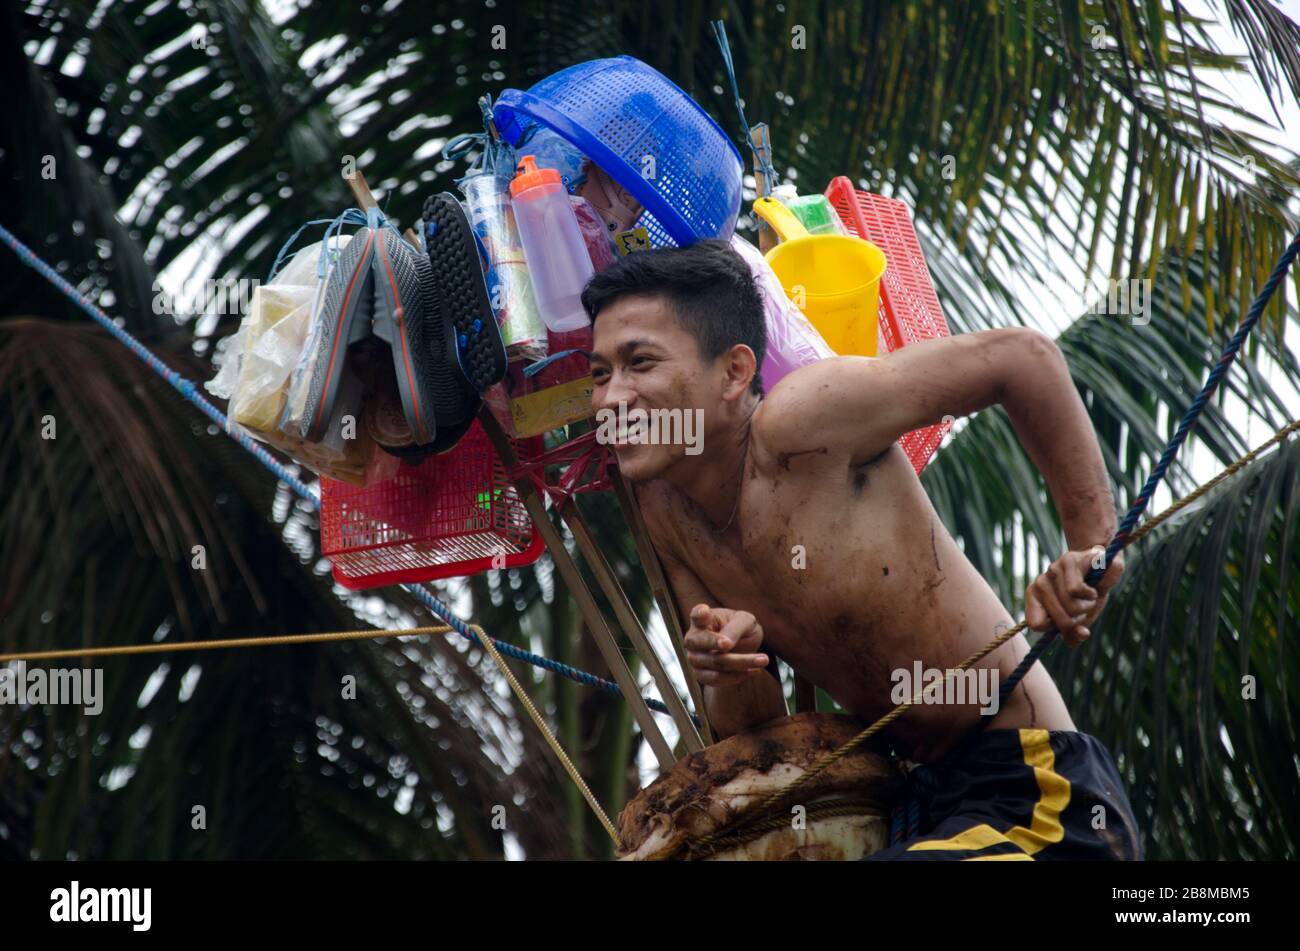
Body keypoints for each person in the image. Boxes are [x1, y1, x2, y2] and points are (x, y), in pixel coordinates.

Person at [582, 239, 1141, 860]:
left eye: (640, 363)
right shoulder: (665, 511)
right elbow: (749, 727)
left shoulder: (803, 422)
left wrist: (1093, 546)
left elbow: (1022, 358)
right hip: (915, 807)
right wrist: (728, 660)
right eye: (600, 374)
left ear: (735, 372)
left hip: (1032, 786)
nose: (611, 399)